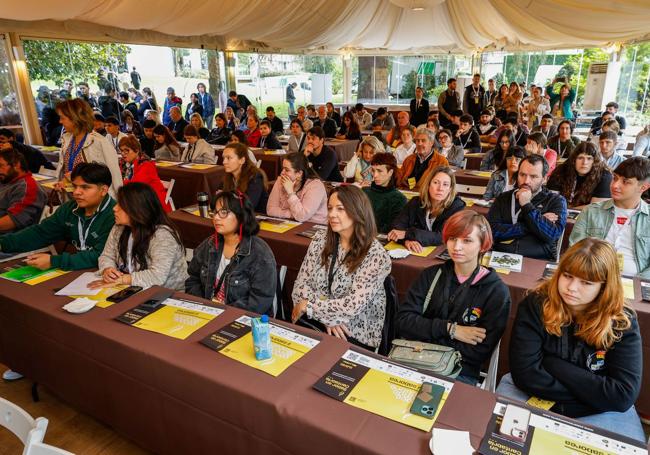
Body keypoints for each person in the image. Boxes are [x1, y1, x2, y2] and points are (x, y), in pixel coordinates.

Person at [497, 238, 644, 442]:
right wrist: (593, 393)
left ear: (604, 286)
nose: (572, 288)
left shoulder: (622, 321)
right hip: (542, 396)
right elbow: (525, 374)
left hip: (599, 412)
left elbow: (622, 395)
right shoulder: (536, 303)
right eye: (567, 276)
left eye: (586, 282)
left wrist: (552, 364)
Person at [396, 210, 510, 384]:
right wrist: (451, 330)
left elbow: (478, 351)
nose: (456, 247)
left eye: (467, 241)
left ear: (483, 245)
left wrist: (425, 331)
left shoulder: (496, 292)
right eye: (452, 239)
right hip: (413, 356)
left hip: (459, 370)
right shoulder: (430, 275)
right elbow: (403, 322)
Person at [291, 185, 391, 350]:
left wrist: (309, 305)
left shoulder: (376, 255)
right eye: (330, 208)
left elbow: (351, 306)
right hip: (316, 323)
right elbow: (300, 287)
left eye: (340, 209)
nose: (332, 214)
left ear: (357, 211)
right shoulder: (320, 240)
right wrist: (327, 317)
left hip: (352, 332)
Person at [0, 162, 115, 270]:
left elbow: (101, 256)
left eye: (85, 187)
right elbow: (41, 233)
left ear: (103, 190)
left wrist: (54, 261)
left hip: (106, 273)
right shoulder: (69, 209)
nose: (76, 192)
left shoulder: (116, 214)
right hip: (78, 269)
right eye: (75, 186)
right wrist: (3, 244)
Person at [186, 190, 277, 314]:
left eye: (223, 212)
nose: (216, 217)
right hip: (207, 313)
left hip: (241, 319)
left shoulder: (260, 254)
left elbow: (260, 301)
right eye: (215, 212)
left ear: (241, 216)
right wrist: (205, 305)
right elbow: (192, 278)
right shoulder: (210, 244)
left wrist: (223, 311)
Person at [92, 182, 186, 291]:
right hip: (132, 288)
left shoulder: (162, 235)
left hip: (166, 294)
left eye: (121, 205)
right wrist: (107, 269)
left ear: (137, 209)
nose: (114, 208)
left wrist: (123, 279)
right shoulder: (119, 228)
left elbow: (157, 276)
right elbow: (106, 256)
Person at [570, 157, 650, 278]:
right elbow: (575, 249)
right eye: (615, 178)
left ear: (643, 187)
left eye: (625, 182)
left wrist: (636, 283)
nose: (615, 185)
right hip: (592, 276)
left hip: (634, 282)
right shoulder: (591, 211)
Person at [488, 154, 567, 260]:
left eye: (533, 176)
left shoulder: (556, 200)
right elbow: (490, 232)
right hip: (501, 256)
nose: (526, 181)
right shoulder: (503, 198)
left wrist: (526, 205)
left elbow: (551, 234)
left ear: (544, 179)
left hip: (538, 259)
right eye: (522, 175)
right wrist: (530, 225)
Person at [55, 99, 122, 198]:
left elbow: (115, 176)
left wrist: (120, 202)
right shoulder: (67, 139)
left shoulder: (99, 142)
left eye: (62, 118)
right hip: (72, 199)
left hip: (96, 203)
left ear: (74, 118)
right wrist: (63, 181)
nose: (60, 121)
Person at [389, 166, 465, 252]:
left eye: (445, 184)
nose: (440, 188)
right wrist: (406, 241)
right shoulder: (415, 202)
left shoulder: (456, 207)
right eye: (436, 182)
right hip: (416, 253)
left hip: (442, 254)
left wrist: (408, 234)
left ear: (450, 189)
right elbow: (396, 228)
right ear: (428, 184)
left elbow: (443, 236)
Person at [266, 152, 328, 224]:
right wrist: (293, 214)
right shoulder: (281, 180)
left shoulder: (316, 186)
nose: (282, 173)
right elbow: (270, 210)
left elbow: (302, 216)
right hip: (290, 224)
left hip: (313, 226)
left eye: (286, 170)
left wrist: (290, 193)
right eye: (283, 168)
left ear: (299, 173)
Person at [547, 142, 612, 208]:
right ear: (574, 160)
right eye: (580, 158)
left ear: (595, 161)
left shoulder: (604, 176)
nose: (584, 162)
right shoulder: (561, 170)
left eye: (589, 158)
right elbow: (551, 200)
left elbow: (596, 208)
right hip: (561, 212)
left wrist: (569, 209)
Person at [118, 136, 171, 212]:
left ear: (136, 150)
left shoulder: (146, 164)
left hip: (151, 203)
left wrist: (119, 182)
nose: (123, 154)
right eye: (121, 151)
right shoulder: (123, 163)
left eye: (126, 151)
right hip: (136, 200)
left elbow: (135, 186)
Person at [0, 149, 47, 233]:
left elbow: (14, 220)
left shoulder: (28, 187)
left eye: (0, 166)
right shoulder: (6, 180)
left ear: (16, 165)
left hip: (10, 240)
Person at [222, 142, 268, 213]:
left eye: (228, 158)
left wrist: (226, 201)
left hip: (254, 219)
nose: (224, 162)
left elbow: (249, 206)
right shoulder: (228, 176)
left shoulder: (255, 177)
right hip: (235, 215)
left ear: (242, 160)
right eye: (224, 158)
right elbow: (218, 198)